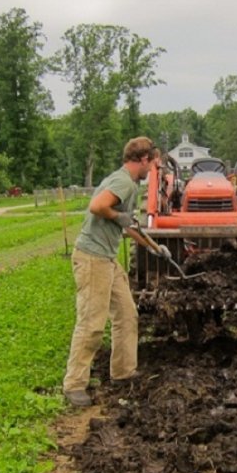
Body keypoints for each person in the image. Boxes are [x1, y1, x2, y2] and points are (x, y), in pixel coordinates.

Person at [63, 137, 170, 407]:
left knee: (126, 313)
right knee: (92, 324)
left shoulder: (127, 183)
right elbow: (97, 207)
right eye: (153, 163)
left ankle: (123, 372)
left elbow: (130, 225)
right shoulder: (123, 181)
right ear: (143, 159)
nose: (153, 169)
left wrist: (155, 247)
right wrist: (116, 216)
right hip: (92, 258)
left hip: (107, 258)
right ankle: (74, 385)